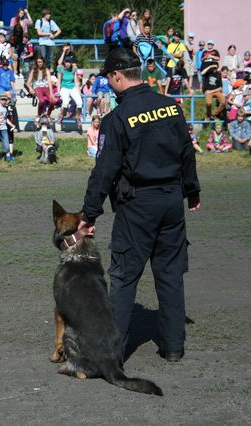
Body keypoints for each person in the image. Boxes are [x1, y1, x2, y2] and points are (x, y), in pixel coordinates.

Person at [79, 48, 201, 363]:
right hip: (172, 200)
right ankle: (173, 347)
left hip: (137, 205)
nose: (109, 83)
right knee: (170, 274)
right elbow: (187, 152)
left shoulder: (117, 118)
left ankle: (112, 354)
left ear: (117, 76)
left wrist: (89, 214)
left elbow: (104, 171)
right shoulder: (170, 108)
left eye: (108, 78)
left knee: (123, 278)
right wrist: (192, 191)